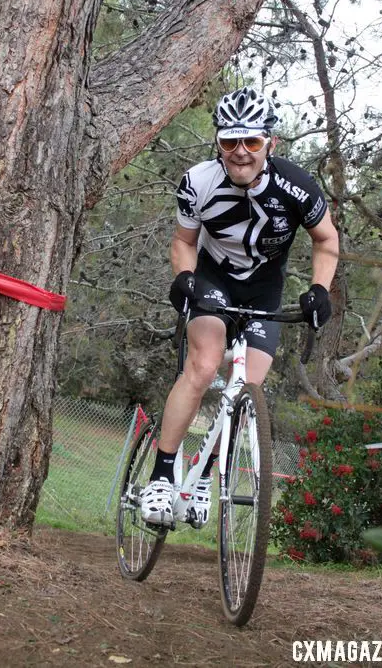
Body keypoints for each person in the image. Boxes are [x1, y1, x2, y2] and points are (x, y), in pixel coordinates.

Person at [141, 87, 339, 526]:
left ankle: (206, 474)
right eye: (230, 141)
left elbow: (326, 239)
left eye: (251, 141)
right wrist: (184, 278)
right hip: (214, 281)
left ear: (271, 143)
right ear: (218, 143)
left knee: (246, 389)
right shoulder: (198, 182)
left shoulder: (297, 186)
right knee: (205, 365)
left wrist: (320, 289)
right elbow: (183, 241)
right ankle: (161, 476)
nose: (240, 152)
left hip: (263, 291)